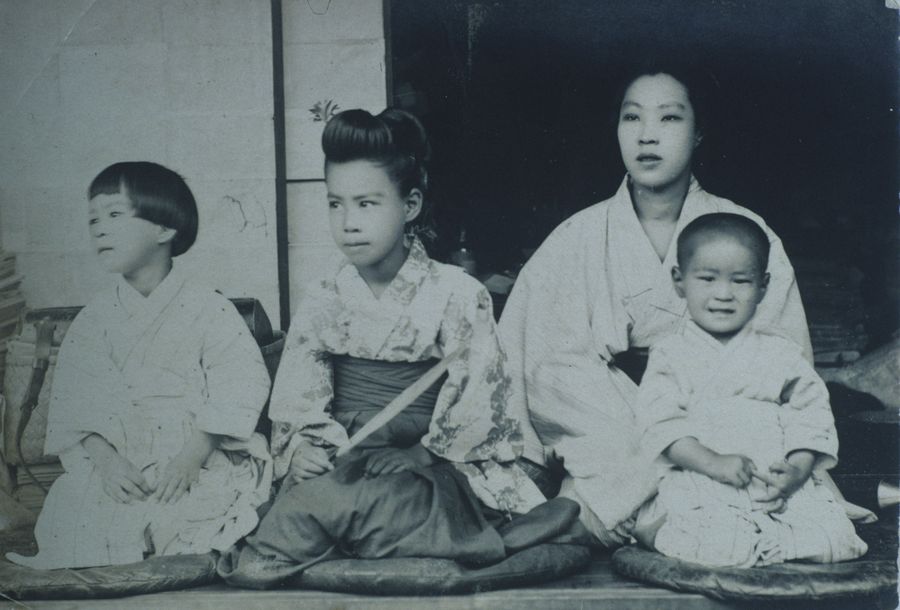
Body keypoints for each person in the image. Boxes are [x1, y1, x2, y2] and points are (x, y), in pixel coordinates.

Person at [218, 109, 572, 589]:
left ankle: (369, 528)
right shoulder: (325, 295)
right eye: (335, 204)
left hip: (428, 460)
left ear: (411, 205)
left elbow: (477, 400)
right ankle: (372, 528)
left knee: (358, 508)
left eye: (366, 204)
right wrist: (303, 447)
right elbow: (300, 397)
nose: (348, 222)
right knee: (310, 501)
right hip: (344, 450)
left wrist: (423, 456)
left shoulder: (457, 292)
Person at [498, 63, 813, 547]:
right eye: (632, 118)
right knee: (556, 372)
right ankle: (656, 508)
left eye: (669, 119)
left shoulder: (746, 232)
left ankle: (606, 512)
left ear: (699, 131)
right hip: (604, 434)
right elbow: (538, 365)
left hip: (715, 434)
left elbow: (783, 361)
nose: (648, 136)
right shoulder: (576, 237)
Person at [7, 162, 273, 569]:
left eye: (114, 215)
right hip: (121, 462)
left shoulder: (210, 308)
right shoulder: (94, 319)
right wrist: (108, 463)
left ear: (164, 229)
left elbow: (239, 383)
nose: (98, 228)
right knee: (73, 510)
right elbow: (77, 407)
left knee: (199, 511)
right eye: (93, 218)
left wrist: (192, 455)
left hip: (195, 455)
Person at [632, 213, 867, 567]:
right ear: (679, 281)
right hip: (705, 480)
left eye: (741, 281)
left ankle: (774, 542)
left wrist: (798, 469)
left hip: (775, 483)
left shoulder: (781, 353)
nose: (723, 294)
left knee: (836, 541)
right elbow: (661, 425)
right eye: (707, 279)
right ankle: (666, 530)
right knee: (718, 545)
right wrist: (713, 463)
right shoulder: (671, 354)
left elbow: (811, 414)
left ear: (763, 286)